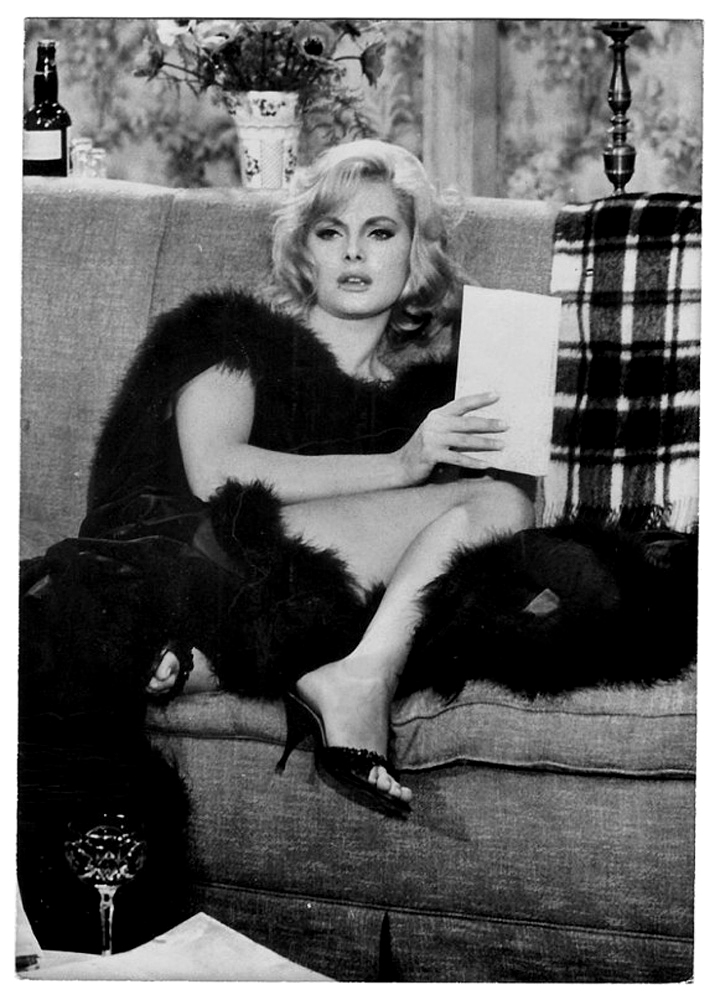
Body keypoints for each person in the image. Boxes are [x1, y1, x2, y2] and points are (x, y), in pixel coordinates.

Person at [80, 137, 532, 818]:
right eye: (330, 232)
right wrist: (400, 467)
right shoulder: (233, 331)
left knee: (493, 523)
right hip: (192, 553)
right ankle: (354, 679)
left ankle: (208, 662)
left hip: (296, 598)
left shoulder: (425, 403)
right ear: (303, 250)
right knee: (493, 506)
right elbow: (215, 472)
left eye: (380, 232)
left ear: (416, 253)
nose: (353, 253)